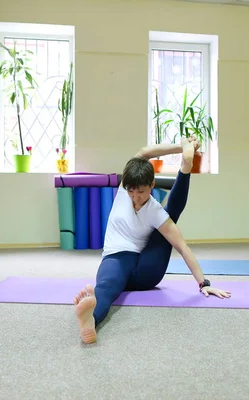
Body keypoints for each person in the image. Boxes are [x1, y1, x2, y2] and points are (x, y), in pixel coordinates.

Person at [73, 136, 231, 344]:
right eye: (131, 191)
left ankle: (186, 167)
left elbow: (181, 246)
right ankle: (90, 321)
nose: (136, 197)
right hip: (116, 261)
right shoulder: (123, 190)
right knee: (105, 286)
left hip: (145, 272)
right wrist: (182, 145)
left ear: (152, 185)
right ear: (125, 186)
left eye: (141, 191)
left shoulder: (155, 210)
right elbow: (144, 152)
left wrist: (204, 283)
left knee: (169, 221)